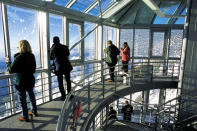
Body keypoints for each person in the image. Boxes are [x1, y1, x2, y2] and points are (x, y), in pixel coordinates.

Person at [6, 40, 37, 122]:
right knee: (31, 95)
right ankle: (34, 111)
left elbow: (11, 70)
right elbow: (33, 70)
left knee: (22, 99)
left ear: (20, 47)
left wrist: (8, 62)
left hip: (21, 82)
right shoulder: (32, 56)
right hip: (30, 80)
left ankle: (25, 116)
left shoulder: (18, 57)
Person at [50, 36, 73, 100]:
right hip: (66, 66)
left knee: (60, 82)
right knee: (68, 81)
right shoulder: (64, 47)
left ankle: (63, 96)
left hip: (59, 67)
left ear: (53, 41)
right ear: (59, 40)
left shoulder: (52, 48)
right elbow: (68, 54)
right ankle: (69, 95)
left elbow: (51, 57)